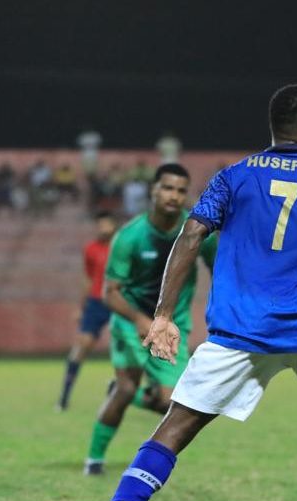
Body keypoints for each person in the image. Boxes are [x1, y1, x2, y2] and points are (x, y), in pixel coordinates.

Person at [66, 84, 297, 501]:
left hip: (241, 328)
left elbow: (192, 234)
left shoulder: (233, 176)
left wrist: (162, 314)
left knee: (172, 431)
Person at [79, 165, 217, 475]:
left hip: (173, 328)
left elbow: (219, 267)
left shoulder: (197, 231)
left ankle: (130, 395)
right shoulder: (130, 236)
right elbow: (110, 293)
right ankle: (94, 460)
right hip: (131, 324)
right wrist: (141, 320)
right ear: (153, 191)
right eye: (167, 188)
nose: (174, 196)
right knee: (126, 388)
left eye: (181, 190)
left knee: (173, 403)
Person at [56, 211, 119, 411]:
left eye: (106, 225)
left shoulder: (122, 246)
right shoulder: (91, 249)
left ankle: (130, 394)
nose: (103, 229)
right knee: (82, 345)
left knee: (127, 348)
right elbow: (88, 278)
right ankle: (64, 397)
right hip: (96, 302)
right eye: (99, 225)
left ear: (114, 226)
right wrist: (80, 307)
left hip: (119, 301)